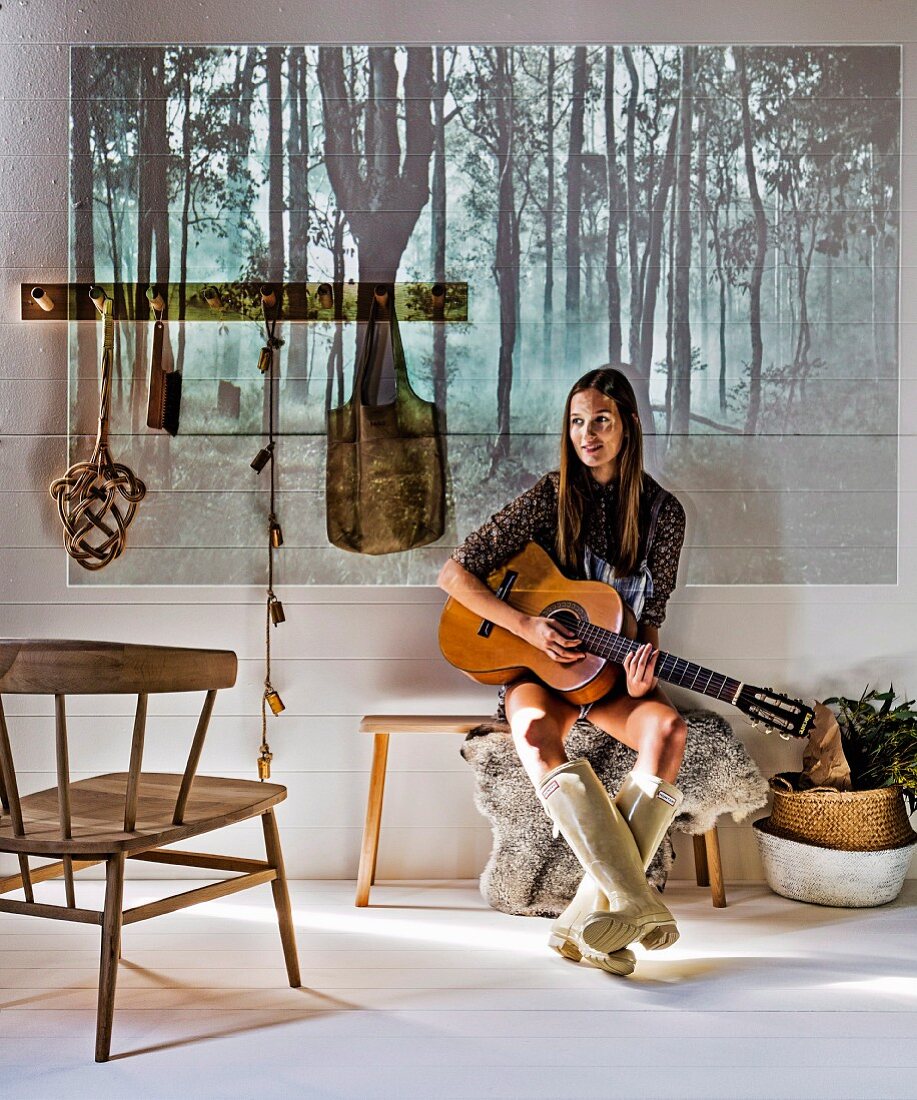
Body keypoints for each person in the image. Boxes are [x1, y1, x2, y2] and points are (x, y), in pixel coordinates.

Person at [437, 367, 688, 976]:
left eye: (600, 420)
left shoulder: (664, 515)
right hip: (535, 672)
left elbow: (649, 622)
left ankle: (583, 923)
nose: (587, 434)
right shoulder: (551, 495)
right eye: (577, 422)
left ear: (627, 423)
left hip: (607, 679)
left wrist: (639, 678)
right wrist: (527, 628)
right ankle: (632, 899)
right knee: (531, 734)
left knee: (669, 730)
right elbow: (454, 574)